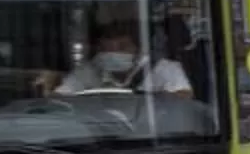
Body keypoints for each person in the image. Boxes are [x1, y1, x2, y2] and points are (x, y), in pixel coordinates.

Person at [52, 20, 191, 97]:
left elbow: (184, 98)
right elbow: (59, 98)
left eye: (122, 47)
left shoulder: (166, 69)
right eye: (107, 48)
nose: (113, 54)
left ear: (139, 50)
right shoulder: (87, 72)